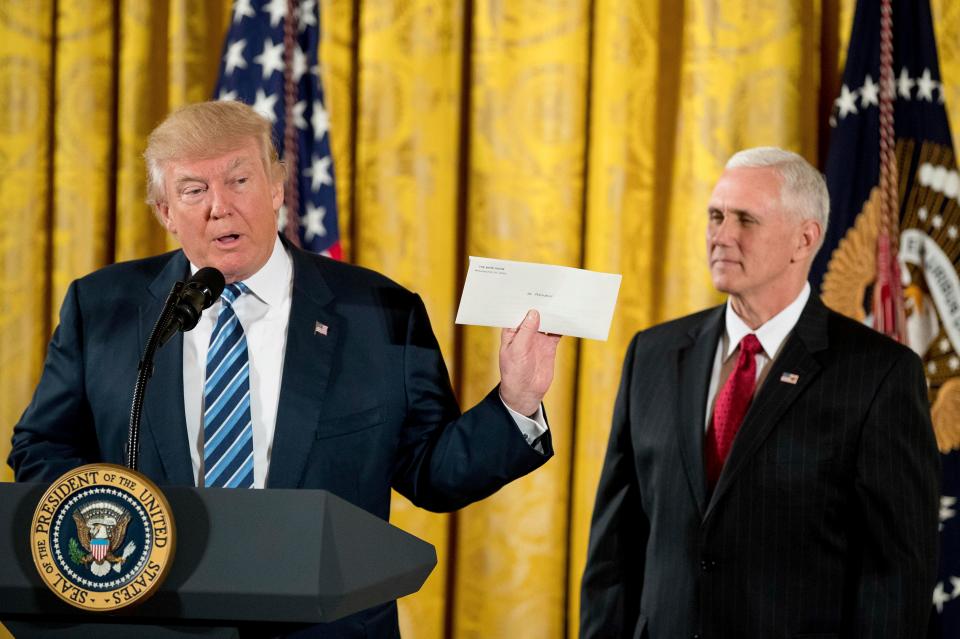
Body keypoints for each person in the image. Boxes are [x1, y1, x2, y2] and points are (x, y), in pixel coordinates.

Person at [9, 100, 561, 637]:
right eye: (193, 190)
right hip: (152, 623)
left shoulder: (378, 313)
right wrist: (99, 529)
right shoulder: (102, 308)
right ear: (165, 213)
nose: (219, 206)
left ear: (277, 188)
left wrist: (515, 403)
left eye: (239, 180)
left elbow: (432, 473)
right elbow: (41, 446)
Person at [580, 147, 940, 639]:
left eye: (746, 219)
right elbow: (614, 551)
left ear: (804, 239)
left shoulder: (879, 374)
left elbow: (896, 578)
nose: (722, 235)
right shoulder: (654, 354)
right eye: (716, 215)